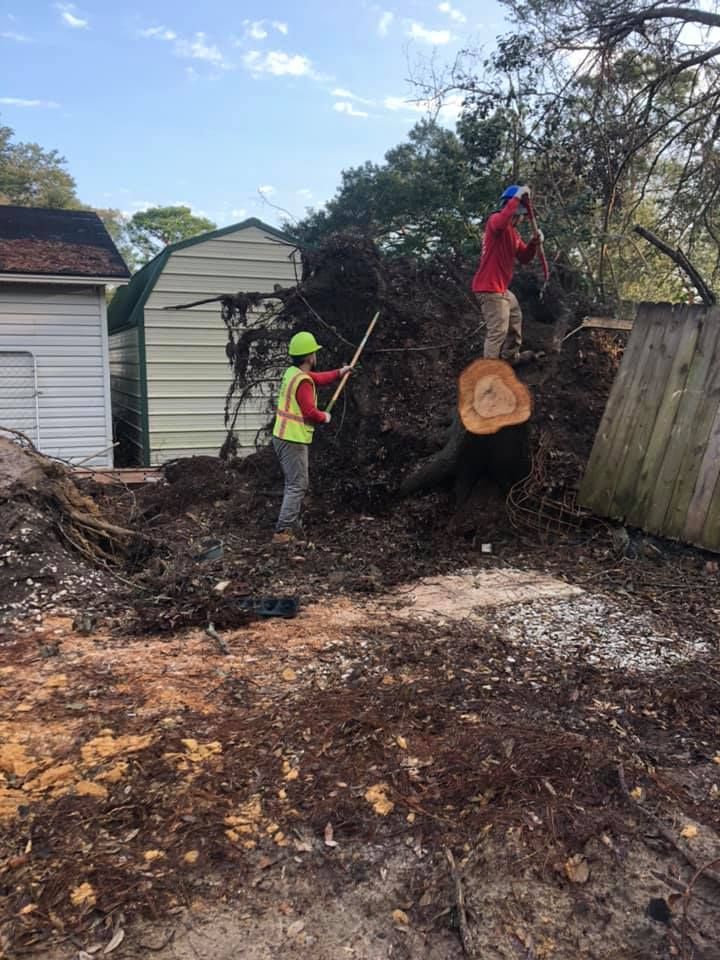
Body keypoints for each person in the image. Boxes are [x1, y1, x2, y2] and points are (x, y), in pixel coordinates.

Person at [271, 331, 352, 544]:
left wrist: (339, 373)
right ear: (309, 357)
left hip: (282, 436)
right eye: (314, 352)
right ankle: (283, 531)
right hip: (292, 439)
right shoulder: (303, 382)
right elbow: (309, 412)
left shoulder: (293, 373)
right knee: (298, 484)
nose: (316, 356)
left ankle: (291, 525)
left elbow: (318, 378)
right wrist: (324, 417)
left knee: (294, 482)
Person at [472, 184, 543, 363]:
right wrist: (519, 195)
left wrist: (534, 243)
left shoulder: (514, 234)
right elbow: (503, 219)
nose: (522, 219)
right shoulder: (495, 221)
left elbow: (525, 258)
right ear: (516, 211)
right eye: (522, 215)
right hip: (489, 288)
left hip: (502, 289)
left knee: (515, 318)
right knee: (498, 331)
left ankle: (510, 358)